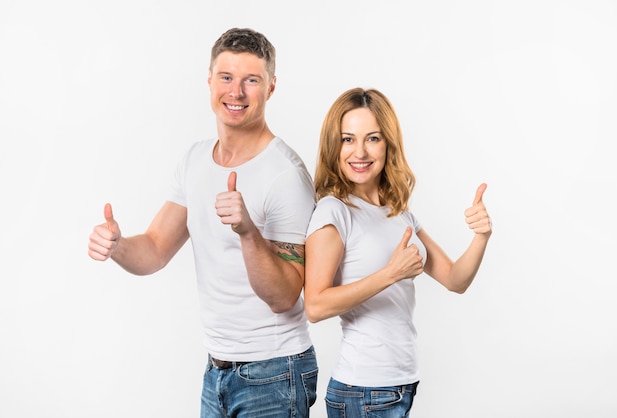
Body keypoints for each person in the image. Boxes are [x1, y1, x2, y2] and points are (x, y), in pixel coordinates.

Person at [88, 28, 318, 417]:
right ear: (209, 80)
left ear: (271, 87)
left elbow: (284, 297)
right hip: (217, 371)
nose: (236, 92)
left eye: (252, 80)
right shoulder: (195, 160)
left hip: (275, 372)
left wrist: (247, 232)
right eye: (227, 77)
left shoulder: (286, 175)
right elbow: (157, 249)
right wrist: (118, 246)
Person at [304, 87, 492, 417]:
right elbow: (316, 305)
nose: (359, 151)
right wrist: (389, 274)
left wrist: (481, 236)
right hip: (362, 390)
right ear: (334, 146)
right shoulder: (334, 211)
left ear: (388, 143)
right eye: (348, 139)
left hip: (400, 384)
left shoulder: (398, 213)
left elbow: (455, 280)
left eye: (372, 138)